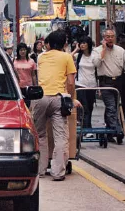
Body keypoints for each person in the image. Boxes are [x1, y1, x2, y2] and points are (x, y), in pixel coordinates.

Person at [32, 30, 77, 181]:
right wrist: (69, 97)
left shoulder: (40, 57)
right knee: (60, 136)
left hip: (40, 97)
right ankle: (58, 172)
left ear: (49, 44)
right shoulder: (67, 57)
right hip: (58, 98)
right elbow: (71, 82)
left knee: (40, 134)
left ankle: (40, 170)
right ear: (64, 43)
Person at [93, 28, 125, 143]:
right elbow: (96, 63)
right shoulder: (97, 50)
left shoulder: (121, 50)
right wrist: (103, 50)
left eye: (112, 36)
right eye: (107, 36)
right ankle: (117, 130)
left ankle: (109, 131)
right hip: (105, 82)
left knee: (115, 107)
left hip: (118, 81)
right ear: (104, 38)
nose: (110, 38)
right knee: (111, 106)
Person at [71, 36, 97, 136]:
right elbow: (69, 57)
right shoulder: (78, 56)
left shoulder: (94, 56)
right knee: (84, 107)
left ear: (88, 44)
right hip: (80, 84)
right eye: (81, 43)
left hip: (92, 84)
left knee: (90, 107)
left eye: (84, 43)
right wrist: (76, 49)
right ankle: (86, 129)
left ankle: (87, 127)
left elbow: (99, 64)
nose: (82, 45)